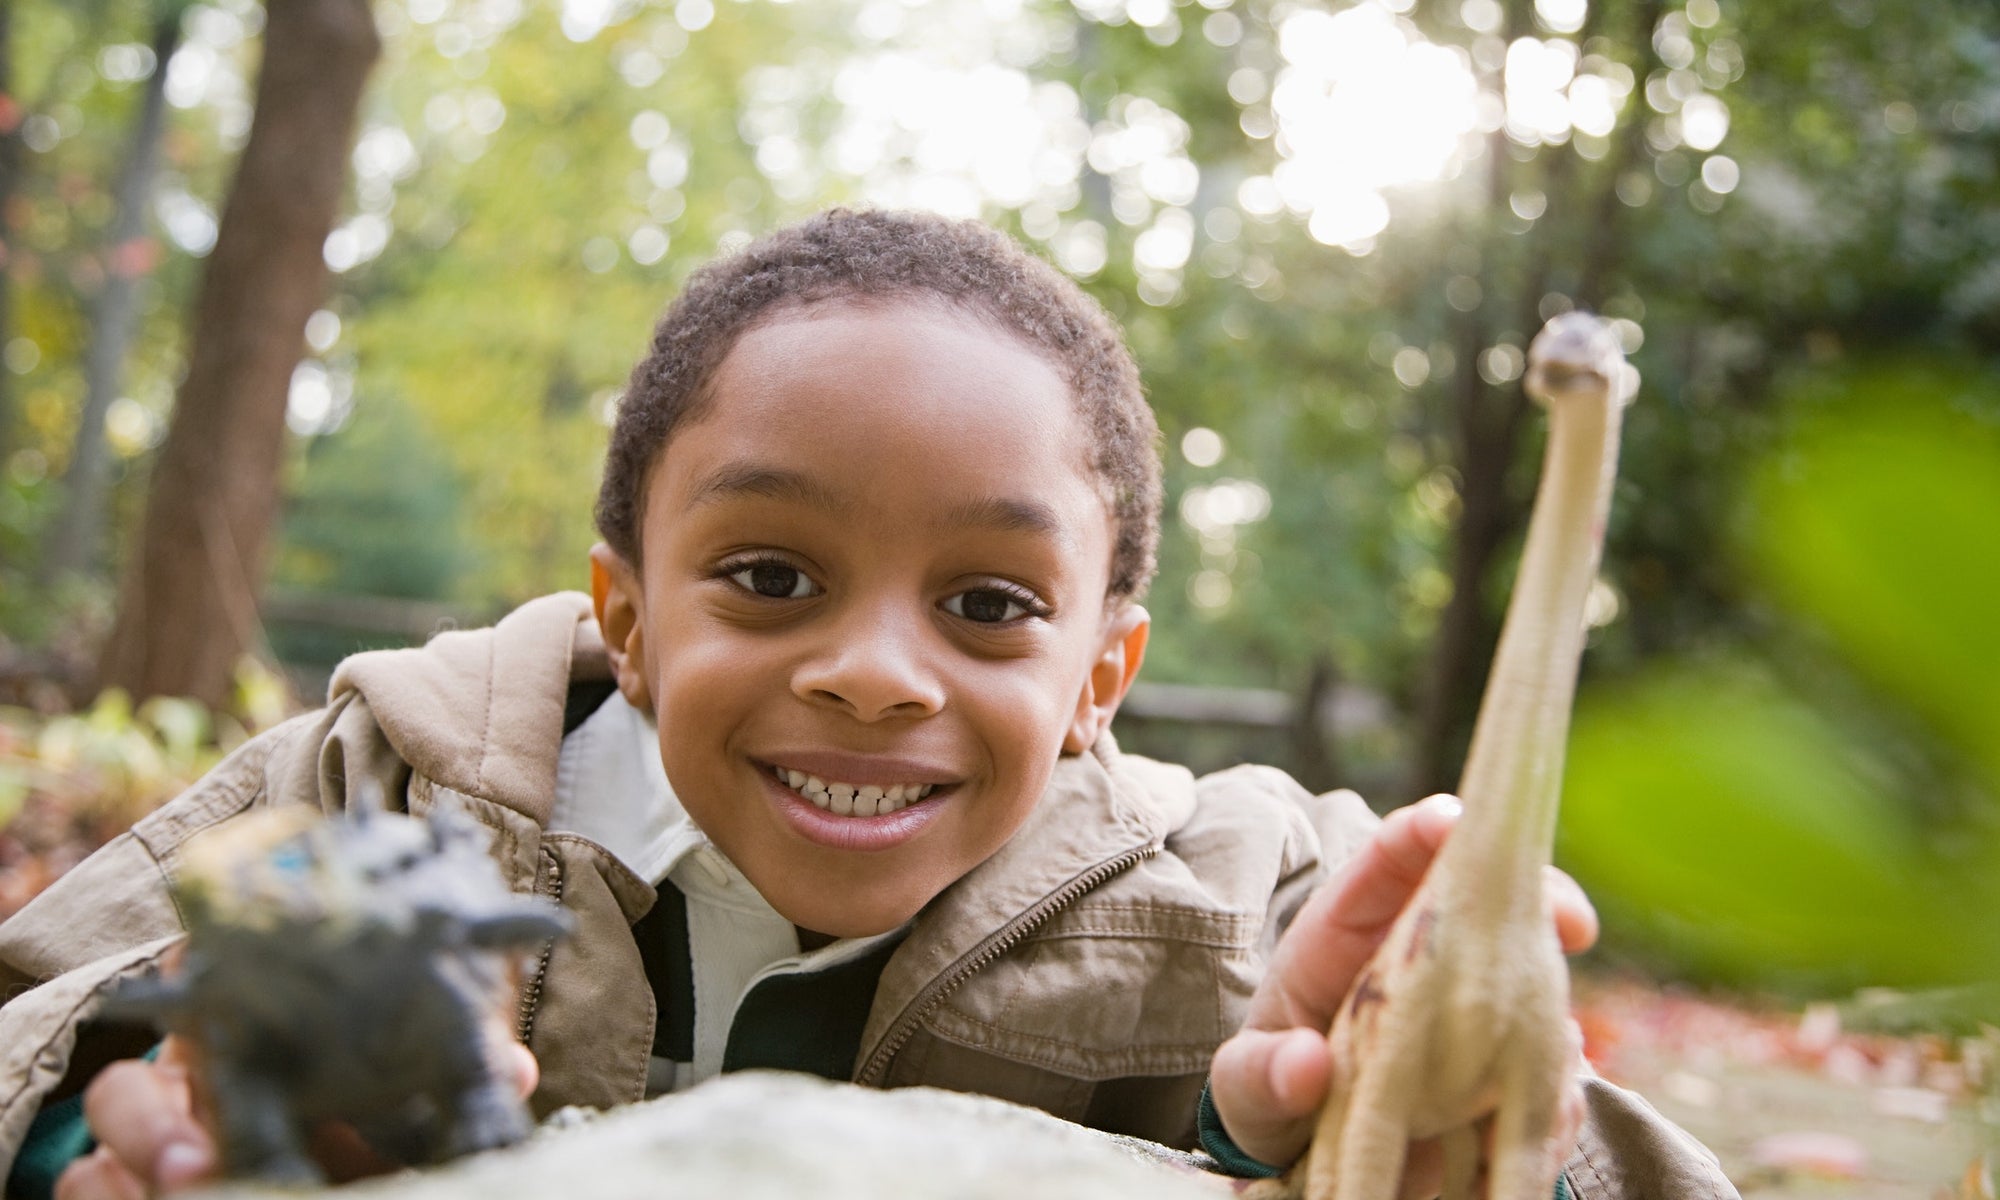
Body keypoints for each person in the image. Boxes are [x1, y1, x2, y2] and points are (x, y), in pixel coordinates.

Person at [0, 210, 1736, 1200]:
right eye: (770, 577)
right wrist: (127, 1103)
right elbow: (38, 1024)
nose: (874, 670)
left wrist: (1373, 1124)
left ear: (1098, 680)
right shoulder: (364, 787)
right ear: (630, 608)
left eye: (988, 607)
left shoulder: (1255, 897)